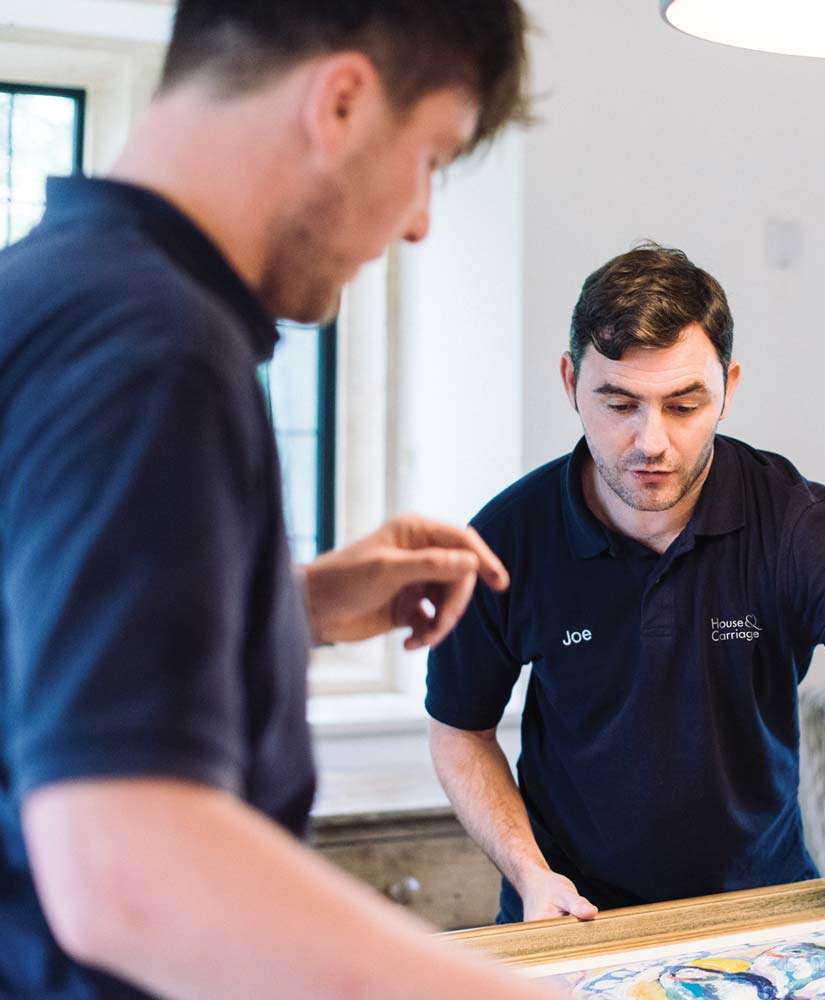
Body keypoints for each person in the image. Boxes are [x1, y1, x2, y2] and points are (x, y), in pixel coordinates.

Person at [0, 2, 561, 997]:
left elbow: (32, 654)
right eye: (430, 157)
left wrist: (285, 603)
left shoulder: (45, 290)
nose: (421, 221)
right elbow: (128, 871)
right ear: (340, 103)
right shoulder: (157, 348)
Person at [426, 244, 825, 960]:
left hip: (765, 919)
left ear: (728, 386)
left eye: (684, 404)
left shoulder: (798, 526)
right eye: (619, 404)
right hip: (573, 921)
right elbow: (460, 729)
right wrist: (530, 873)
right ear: (571, 381)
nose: (651, 442)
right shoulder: (507, 539)